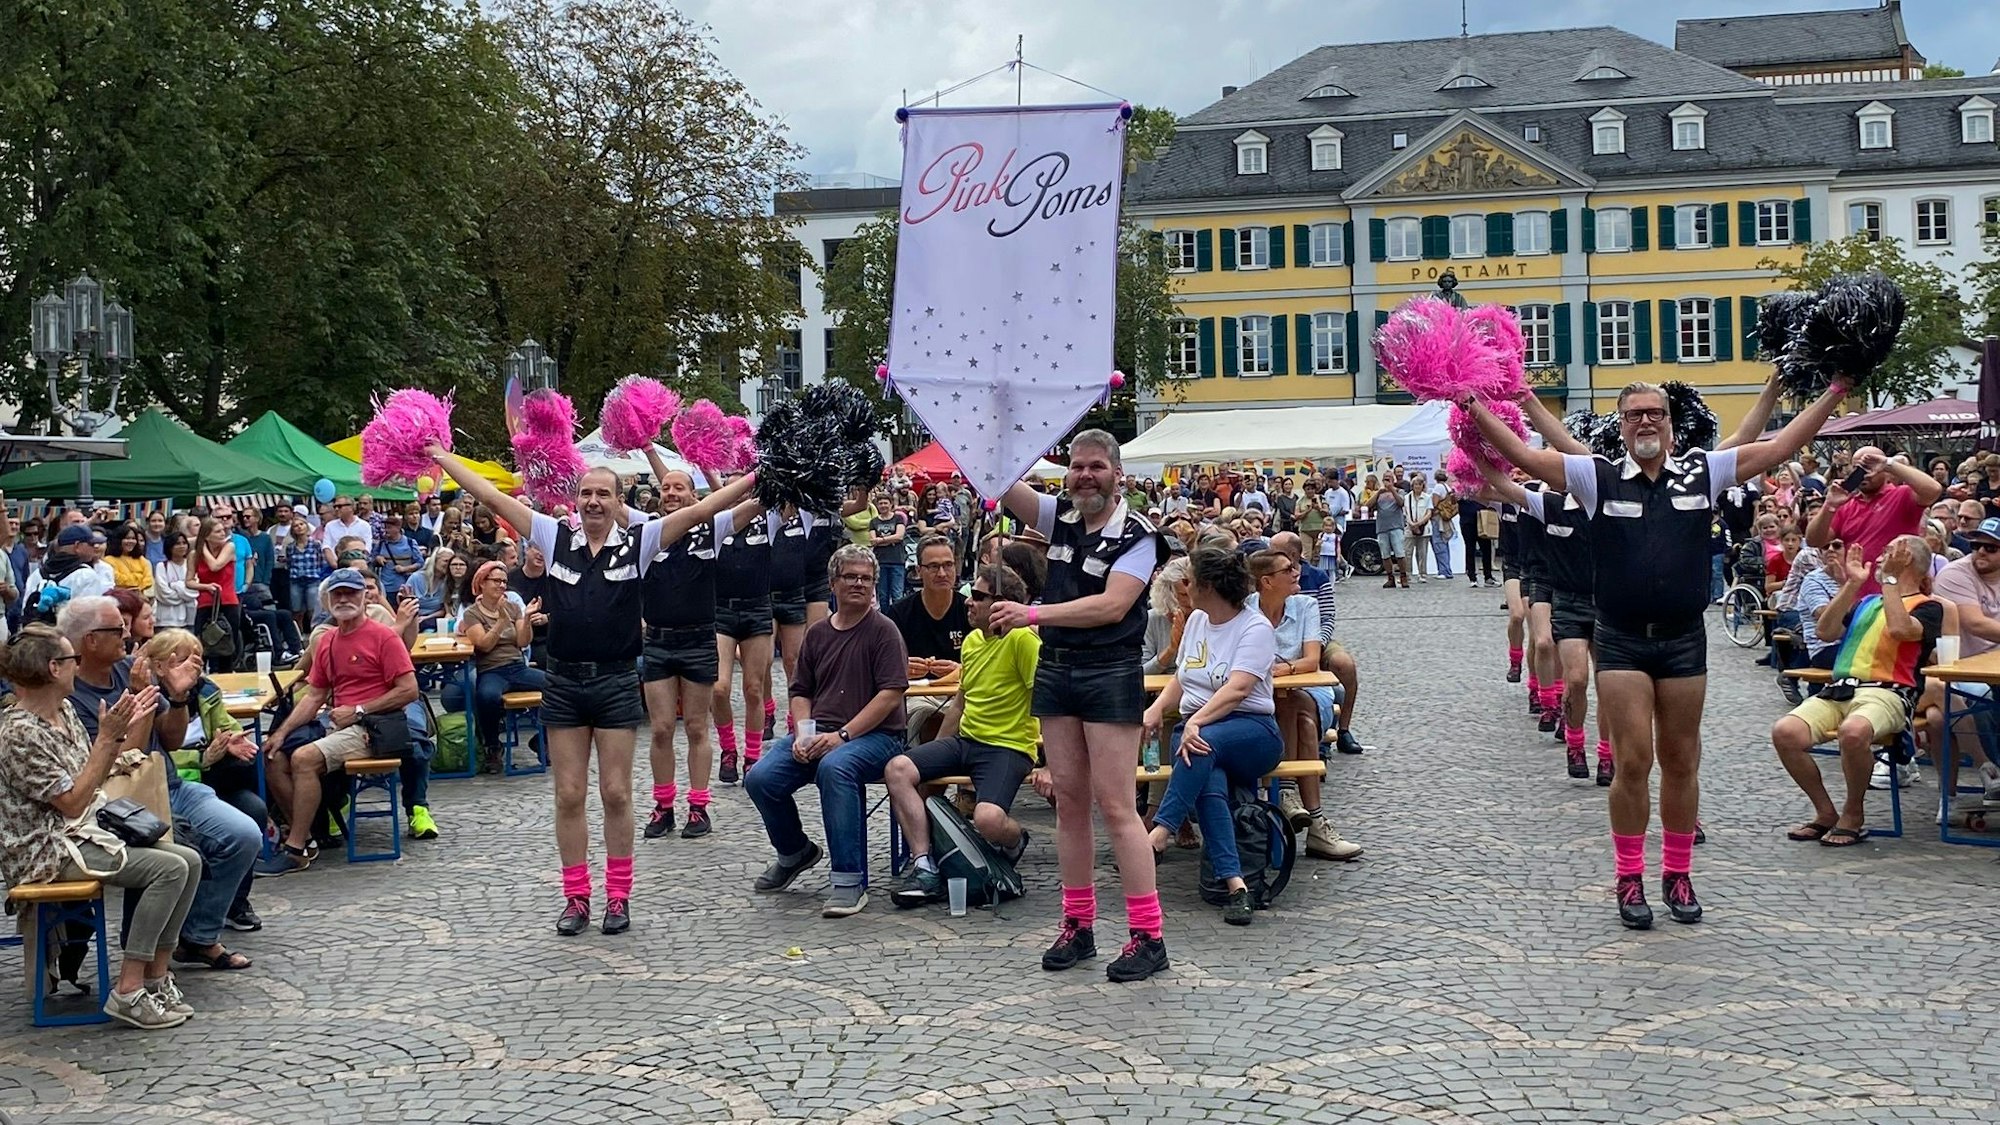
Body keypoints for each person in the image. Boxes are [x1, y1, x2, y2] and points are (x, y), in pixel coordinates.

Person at [1468, 377, 1846, 929]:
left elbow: (1781, 444)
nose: (1645, 421)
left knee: (1681, 761)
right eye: (1634, 414)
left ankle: (1677, 873)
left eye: (1655, 413)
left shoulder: (1702, 470)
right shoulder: (1595, 476)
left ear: (1669, 422)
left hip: (1683, 640)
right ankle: (1629, 877)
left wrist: (1834, 389)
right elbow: (1524, 456)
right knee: (1632, 762)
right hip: (1621, 640)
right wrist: (1470, 403)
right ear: (1621, 425)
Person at [429, 446, 752, 935]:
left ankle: (618, 896)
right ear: (575, 500)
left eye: (603, 493)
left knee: (617, 793)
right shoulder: (553, 535)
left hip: (617, 681)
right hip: (563, 682)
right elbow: (491, 497)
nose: (594, 501)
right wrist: (440, 455)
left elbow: (701, 510)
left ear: (619, 502)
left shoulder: (641, 540)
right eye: (586, 493)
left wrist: (758, 477)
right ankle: (576, 897)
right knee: (568, 794)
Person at [992, 430, 1170, 983]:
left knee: (1116, 806)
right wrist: (992, 427)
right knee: (1069, 803)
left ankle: (1148, 935)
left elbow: (1112, 606)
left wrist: (1033, 615)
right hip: (1057, 668)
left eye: (1096, 466)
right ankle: (1078, 924)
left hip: (1109, 670)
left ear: (1118, 475)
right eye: (1077, 467)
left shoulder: (1139, 535)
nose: (1085, 476)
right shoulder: (1061, 517)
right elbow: (1004, 485)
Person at [0, 625, 204, 1029]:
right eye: (72, 659)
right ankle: (129, 989)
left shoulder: (64, 712)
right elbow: (72, 801)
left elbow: (95, 776)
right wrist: (107, 741)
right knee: (168, 869)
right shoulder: (19, 732)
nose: (78, 666)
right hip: (45, 850)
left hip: (82, 830)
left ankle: (156, 978)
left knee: (190, 860)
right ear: (54, 668)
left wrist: (122, 734)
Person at [55, 596, 257, 973]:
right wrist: (139, 702)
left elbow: (172, 740)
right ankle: (144, 953)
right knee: (165, 849)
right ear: (89, 641)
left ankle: (198, 936)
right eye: (117, 629)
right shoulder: (71, 695)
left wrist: (178, 697)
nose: (127, 634)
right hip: (118, 803)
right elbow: (118, 763)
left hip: (169, 784)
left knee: (243, 834)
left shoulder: (129, 669)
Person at [744, 544, 909, 917]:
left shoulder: (884, 631)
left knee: (836, 768)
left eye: (866, 578)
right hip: (821, 732)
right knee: (760, 778)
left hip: (878, 737)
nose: (859, 584)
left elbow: (890, 695)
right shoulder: (818, 633)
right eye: (850, 577)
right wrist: (804, 733)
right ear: (833, 583)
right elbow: (801, 690)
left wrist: (842, 737)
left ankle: (849, 881)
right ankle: (795, 852)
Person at [1771, 538, 1946, 846]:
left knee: (1853, 732)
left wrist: (1889, 581)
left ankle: (1853, 813)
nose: (1879, 558)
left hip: (1889, 693)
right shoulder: (1868, 602)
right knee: (1785, 732)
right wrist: (1851, 584)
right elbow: (1825, 631)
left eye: (1888, 552)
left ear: (1905, 560)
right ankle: (1825, 812)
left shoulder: (1929, 607)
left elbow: (1900, 629)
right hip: (1840, 690)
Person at [1140, 548, 1282, 926]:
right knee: (1207, 775)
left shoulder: (1255, 628)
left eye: (1190, 580)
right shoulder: (1197, 621)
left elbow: (1238, 689)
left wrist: (1196, 722)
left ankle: (1160, 831)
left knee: (1201, 744)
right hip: (1199, 733)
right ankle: (1236, 885)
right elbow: (1183, 677)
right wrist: (1157, 709)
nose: (1185, 587)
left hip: (1252, 730)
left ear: (1208, 586)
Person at [885, 563, 1039, 906]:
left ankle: (1016, 840)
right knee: (898, 768)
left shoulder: (1023, 639)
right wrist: (939, 749)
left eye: (978, 596)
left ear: (1001, 604)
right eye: (970, 594)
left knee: (988, 819)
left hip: (1008, 747)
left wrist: (1052, 765)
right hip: (966, 741)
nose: (967, 601)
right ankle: (924, 864)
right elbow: (959, 703)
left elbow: (1045, 700)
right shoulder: (971, 641)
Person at [144, 628, 268, 934]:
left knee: (254, 809)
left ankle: (236, 902)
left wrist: (232, 739)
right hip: (176, 783)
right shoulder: (150, 696)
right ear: (159, 666)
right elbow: (159, 755)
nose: (192, 666)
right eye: (182, 660)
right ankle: (192, 915)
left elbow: (226, 725)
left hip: (213, 778)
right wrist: (202, 757)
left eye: (197, 659)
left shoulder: (206, 690)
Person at [638, 464, 731, 840]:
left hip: (698, 640)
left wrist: (768, 476)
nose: (671, 493)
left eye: (679, 488)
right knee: (661, 729)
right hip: (658, 641)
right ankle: (663, 806)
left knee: (695, 726)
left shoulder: (712, 528)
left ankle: (698, 806)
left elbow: (747, 504)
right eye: (665, 488)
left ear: (695, 495)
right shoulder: (647, 530)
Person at [1251, 550, 1359, 860]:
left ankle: (1287, 792)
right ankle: (1316, 822)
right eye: (1287, 569)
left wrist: (1280, 670)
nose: (1296, 572)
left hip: (1307, 689)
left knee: (1293, 701)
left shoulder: (1305, 606)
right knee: (1303, 720)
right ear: (1266, 582)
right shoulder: (1246, 609)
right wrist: (1284, 671)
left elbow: (1312, 660)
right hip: (1265, 695)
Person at [1805, 444, 1941, 597]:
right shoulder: (1845, 505)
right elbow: (1813, 540)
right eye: (1858, 468)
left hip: (1899, 594)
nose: (1864, 474)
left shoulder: (1901, 495)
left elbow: (1934, 489)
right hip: (1860, 597)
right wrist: (1829, 505)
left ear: (1885, 471)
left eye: (1870, 467)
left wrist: (1888, 463)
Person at [458, 562, 549, 773]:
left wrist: (527, 618)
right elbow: (483, 645)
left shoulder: (513, 607)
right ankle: (492, 746)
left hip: (517, 666)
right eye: (496, 581)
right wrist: (500, 622)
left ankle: (542, 740)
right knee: (487, 697)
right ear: (482, 583)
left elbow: (523, 641)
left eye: (504, 582)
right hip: (491, 669)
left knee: (557, 686)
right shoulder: (472, 613)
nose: (501, 585)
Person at [885, 535, 971, 746]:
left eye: (948, 565)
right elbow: (884, 668)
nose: (942, 573)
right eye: (933, 567)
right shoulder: (899, 613)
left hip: (963, 693)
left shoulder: (971, 611)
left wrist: (959, 670)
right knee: (925, 715)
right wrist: (901, 668)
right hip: (915, 694)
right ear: (919, 570)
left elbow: (989, 664)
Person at [23, 524, 115, 619]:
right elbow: (88, 617)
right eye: (91, 544)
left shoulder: (37, 574)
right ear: (77, 546)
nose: (95, 547)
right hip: (68, 627)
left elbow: (25, 609)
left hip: (35, 627)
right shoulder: (86, 575)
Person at [191, 518, 242, 672]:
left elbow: (215, 565)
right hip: (206, 602)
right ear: (207, 535)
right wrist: (205, 586)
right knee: (202, 641)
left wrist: (203, 548)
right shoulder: (194, 555)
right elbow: (189, 581)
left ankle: (227, 673)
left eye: (222, 530)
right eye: (218, 531)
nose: (223, 533)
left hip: (227, 600)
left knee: (227, 644)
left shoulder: (229, 547)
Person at [152, 531, 202, 631]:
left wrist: (175, 586)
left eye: (184, 543)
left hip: (190, 618)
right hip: (167, 619)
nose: (182, 546)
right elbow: (164, 593)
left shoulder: (191, 565)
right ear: (170, 547)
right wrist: (185, 592)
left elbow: (195, 591)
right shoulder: (162, 566)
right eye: (178, 543)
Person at [868, 493, 909, 608]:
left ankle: (898, 617)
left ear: (891, 504)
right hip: (880, 561)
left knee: (897, 594)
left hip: (897, 560)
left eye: (885, 503)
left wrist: (881, 540)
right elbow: (873, 541)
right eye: (880, 503)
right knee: (883, 596)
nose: (883, 506)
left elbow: (899, 536)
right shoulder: (873, 522)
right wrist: (891, 540)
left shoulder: (898, 518)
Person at [371, 513, 423, 602]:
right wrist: (377, 558)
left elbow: (420, 563)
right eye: (385, 527)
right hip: (386, 587)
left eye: (389, 528)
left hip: (404, 586)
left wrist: (405, 568)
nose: (386, 530)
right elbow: (372, 560)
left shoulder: (410, 543)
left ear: (398, 528)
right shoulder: (381, 544)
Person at [1374, 472, 1408, 590]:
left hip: (1396, 526)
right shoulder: (1379, 493)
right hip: (1382, 527)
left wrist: (1392, 490)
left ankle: (1403, 576)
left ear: (1393, 480)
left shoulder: (1400, 491)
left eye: (1389, 479)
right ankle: (1390, 578)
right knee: (1385, 555)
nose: (1387, 481)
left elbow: (1401, 503)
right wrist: (1378, 493)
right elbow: (1367, 505)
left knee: (1400, 553)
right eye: (1385, 479)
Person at [103, 522, 153, 596]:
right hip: (119, 598)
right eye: (127, 538)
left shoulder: (141, 559)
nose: (131, 541)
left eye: (133, 538)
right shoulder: (108, 560)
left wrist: (137, 588)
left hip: (140, 597)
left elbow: (148, 581)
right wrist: (139, 577)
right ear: (118, 540)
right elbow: (118, 580)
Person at [1406, 478, 1433, 583]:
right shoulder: (1407, 498)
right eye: (1415, 484)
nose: (1417, 486)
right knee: (1408, 552)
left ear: (1423, 486)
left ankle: (1422, 573)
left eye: (1419, 484)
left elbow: (1429, 513)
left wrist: (1419, 523)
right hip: (1409, 528)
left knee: (1422, 552)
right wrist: (1412, 524)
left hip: (1424, 528)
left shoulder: (1427, 497)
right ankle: (1407, 574)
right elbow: (1406, 513)